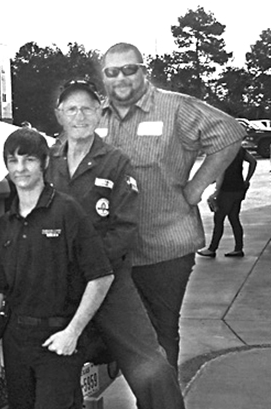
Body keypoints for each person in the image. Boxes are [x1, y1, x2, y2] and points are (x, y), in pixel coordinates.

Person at [99, 42, 246, 372]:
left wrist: (195, 188)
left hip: (164, 249)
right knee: (116, 336)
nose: (121, 77)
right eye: (112, 71)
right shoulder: (97, 115)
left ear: (143, 70)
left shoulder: (175, 108)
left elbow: (230, 133)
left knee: (160, 335)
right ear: (104, 77)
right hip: (114, 252)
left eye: (129, 69)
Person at [47, 80, 185, 408]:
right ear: (59, 115)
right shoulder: (46, 161)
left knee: (150, 365)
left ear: (99, 113)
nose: (79, 116)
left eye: (87, 108)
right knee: (42, 365)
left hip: (107, 281)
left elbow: (124, 230)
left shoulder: (115, 162)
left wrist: (87, 267)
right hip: (57, 284)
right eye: (71, 109)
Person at [0, 128, 114, 409]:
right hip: (15, 340)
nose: (20, 168)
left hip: (58, 340)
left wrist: (73, 332)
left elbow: (101, 276)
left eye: (28, 160)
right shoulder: (4, 224)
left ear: (43, 163)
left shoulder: (68, 212)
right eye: (13, 161)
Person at [197, 146, 256, 258]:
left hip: (226, 190)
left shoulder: (222, 150)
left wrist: (215, 192)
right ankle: (238, 248)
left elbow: (221, 174)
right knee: (234, 218)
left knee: (219, 219)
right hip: (239, 188)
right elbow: (253, 161)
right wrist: (247, 180)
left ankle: (212, 249)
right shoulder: (239, 149)